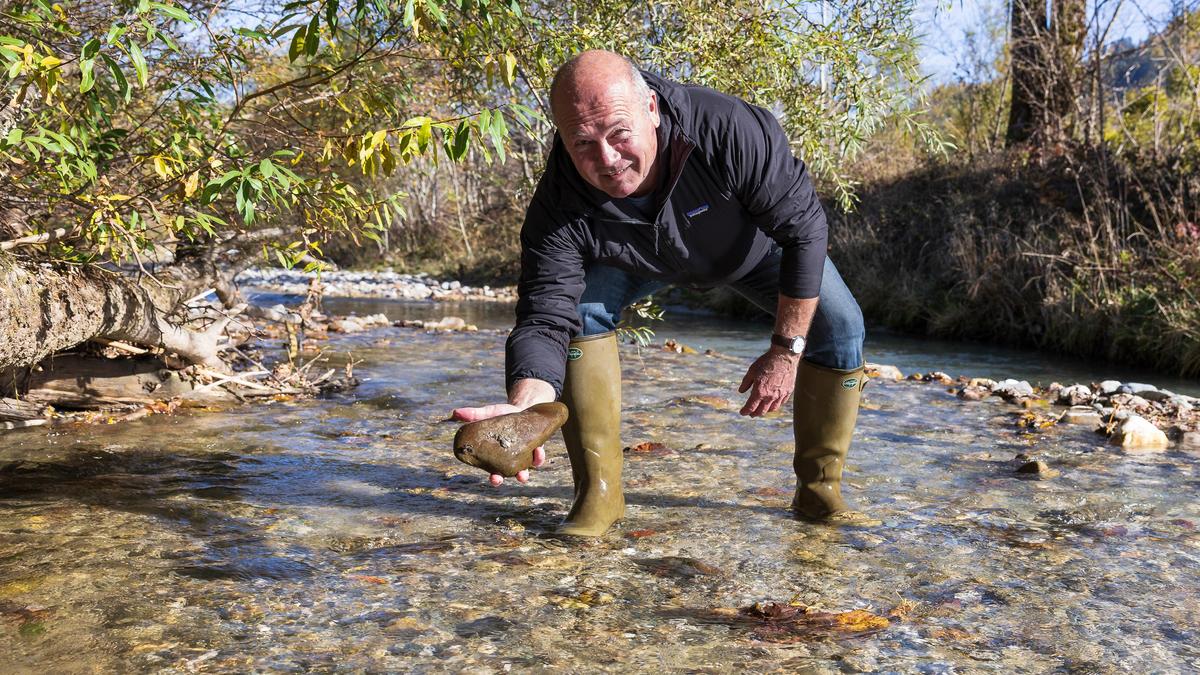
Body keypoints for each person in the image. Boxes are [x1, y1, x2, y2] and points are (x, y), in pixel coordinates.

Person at [452, 50, 868, 537]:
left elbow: (805, 232)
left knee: (841, 326)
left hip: (753, 253)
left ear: (651, 106)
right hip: (639, 261)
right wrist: (527, 407)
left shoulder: (729, 129)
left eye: (618, 133)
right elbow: (546, 315)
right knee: (582, 311)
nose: (606, 159)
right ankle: (598, 498)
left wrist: (785, 349)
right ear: (562, 137)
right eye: (582, 142)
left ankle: (819, 492)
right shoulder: (558, 202)